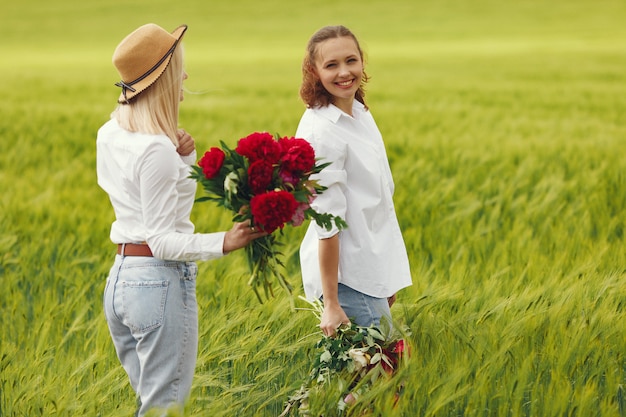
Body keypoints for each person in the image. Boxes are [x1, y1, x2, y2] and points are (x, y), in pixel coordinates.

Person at [96, 23, 265, 416]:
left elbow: (161, 207)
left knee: (151, 407)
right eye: (179, 70)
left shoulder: (110, 132)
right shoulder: (154, 149)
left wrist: (183, 159)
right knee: (164, 410)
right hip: (157, 281)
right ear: (165, 79)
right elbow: (163, 239)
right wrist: (225, 240)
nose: (185, 76)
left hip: (122, 279)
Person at [296, 25, 412, 337]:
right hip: (347, 279)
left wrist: (384, 277)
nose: (344, 72)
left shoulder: (359, 113)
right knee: (381, 374)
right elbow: (327, 223)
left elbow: (378, 203)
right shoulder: (322, 132)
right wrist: (332, 302)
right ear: (313, 71)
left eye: (351, 60)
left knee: (365, 377)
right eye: (331, 65)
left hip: (368, 271)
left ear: (362, 61)